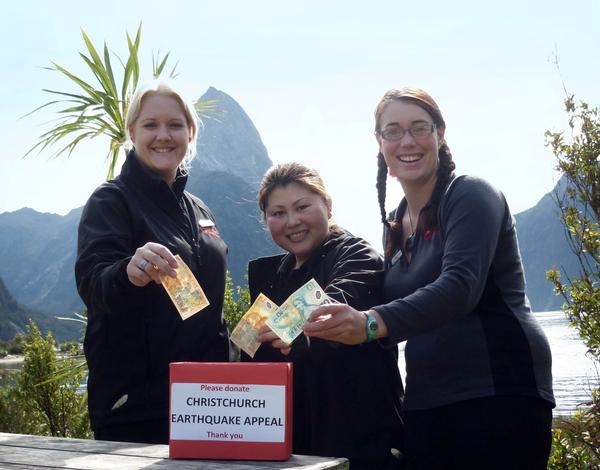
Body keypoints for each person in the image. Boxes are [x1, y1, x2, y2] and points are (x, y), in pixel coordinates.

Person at [303, 88, 555, 469]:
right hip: (425, 401)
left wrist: (369, 323)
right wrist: (301, 332)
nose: (407, 141)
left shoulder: (470, 194)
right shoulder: (395, 222)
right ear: (380, 142)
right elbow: (384, 310)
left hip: (499, 391)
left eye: (419, 128)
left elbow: (459, 287)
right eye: (393, 131)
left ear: (440, 134)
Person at [75, 82, 230, 444]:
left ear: (190, 133)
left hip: (206, 402)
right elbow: (93, 285)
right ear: (132, 132)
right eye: (150, 125)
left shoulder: (200, 209)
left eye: (175, 125)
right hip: (137, 408)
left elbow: (211, 308)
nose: (164, 135)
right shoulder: (111, 200)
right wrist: (128, 271)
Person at [245, 162, 404, 469]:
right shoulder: (271, 276)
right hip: (293, 449)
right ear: (265, 220)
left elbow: (334, 305)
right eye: (277, 213)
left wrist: (287, 327)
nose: (292, 221)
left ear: (328, 206)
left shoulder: (357, 255)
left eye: (302, 207)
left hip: (358, 446)